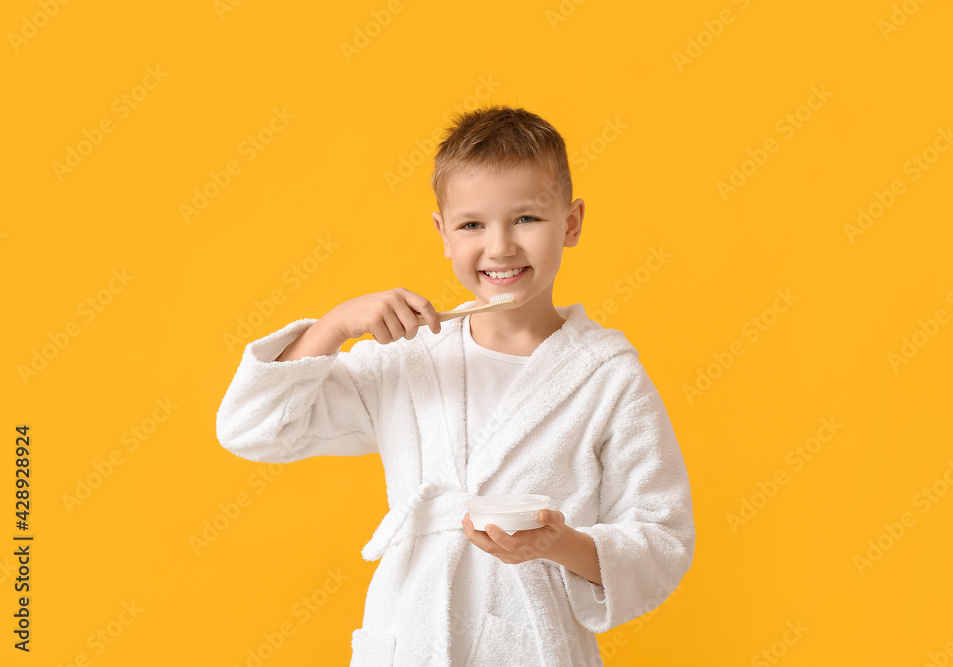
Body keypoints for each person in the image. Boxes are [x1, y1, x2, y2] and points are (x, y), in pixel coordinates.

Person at [216, 104, 695, 666]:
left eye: (526, 219)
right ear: (443, 233)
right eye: (472, 224)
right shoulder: (409, 360)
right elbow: (251, 429)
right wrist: (334, 325)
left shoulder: (606, 376)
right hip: (407, 641)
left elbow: (662, 541)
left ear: (571, 222)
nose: (499, 247)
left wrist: (555, 543)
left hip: (534, 648)